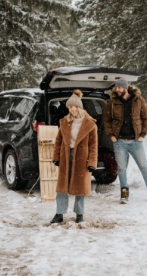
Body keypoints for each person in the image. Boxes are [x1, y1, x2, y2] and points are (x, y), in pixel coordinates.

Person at [102, 78, 147, 203]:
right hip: (120, 142)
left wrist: (142, 135)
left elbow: (146, 118)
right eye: (116, 88)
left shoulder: (138, 100)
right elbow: (106, 120)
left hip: (136, 142)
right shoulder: (112, 102)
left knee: (143, 166)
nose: (117, 90)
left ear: (126, 88)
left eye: (119, 88)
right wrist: (111, 135)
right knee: (121, 168)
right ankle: (124, 191)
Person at [50, 90, 98, 224]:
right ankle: (59, 213)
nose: (70, 110)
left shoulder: (90, 124)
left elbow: (94, 145)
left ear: (78, 107)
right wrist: (56, 157)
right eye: (68, 108)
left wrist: (92, 162)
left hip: (82, 158)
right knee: (62, 186)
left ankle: (79, 214)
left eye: (71, 107)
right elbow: (58, 141)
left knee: (80, 187)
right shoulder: (65, 122)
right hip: (66, 156)